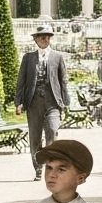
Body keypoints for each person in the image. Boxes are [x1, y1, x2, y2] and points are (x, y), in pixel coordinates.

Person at [16, 23, 71, 170]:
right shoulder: (28, 58)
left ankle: (50, 164)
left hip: (52, 101)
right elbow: (21, 81)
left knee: (52, 131)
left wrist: (65, 101)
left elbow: (63, 80)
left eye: (47, 37)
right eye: (41, 37)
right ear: (35, 39)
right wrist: (18, 102)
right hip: (34, 102)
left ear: (50, 39)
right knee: (35, 137)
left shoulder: (57, 57)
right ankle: (38, 168)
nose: (44, 39)